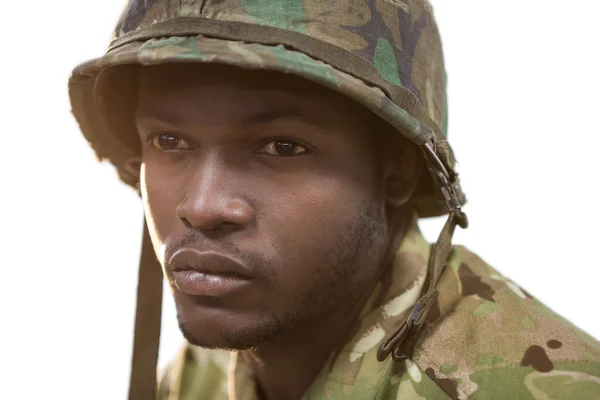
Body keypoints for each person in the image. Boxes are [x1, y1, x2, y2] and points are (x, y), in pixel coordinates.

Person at [68, 0, 600, 399]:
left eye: (282, 146)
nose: (202, 206)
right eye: (169, 141)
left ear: (395, 169)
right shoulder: (201, 376)